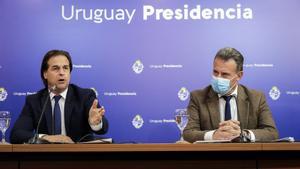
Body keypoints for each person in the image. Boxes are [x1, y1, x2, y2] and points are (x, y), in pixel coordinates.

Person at [10, 50, 108, 144]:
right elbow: (17, 134)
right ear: (45, 74)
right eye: (55, 68)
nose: (61, 72)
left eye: (65, 68)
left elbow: (103, 129)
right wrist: (46, 138)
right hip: (45, 158)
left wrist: (95, 123)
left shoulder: (85, 96)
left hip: (80, 158)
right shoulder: (34, 101)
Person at [183, 47, 278, 143]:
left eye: (224, 74)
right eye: (215, 72)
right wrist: (213, 135)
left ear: (239, 76)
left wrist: (243, 134)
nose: (218, 78)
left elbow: (271, 132)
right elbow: (188, 133)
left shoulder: (257, 98)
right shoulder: (198, 97)